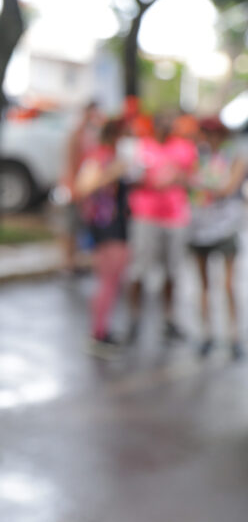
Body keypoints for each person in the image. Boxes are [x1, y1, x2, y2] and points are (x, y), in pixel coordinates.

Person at [126, 113, 198, 343]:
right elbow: (129, 177)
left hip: (175, 216)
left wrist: (178, 179)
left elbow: (194, 179)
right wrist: (149, 181)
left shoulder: (185, 148)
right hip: (146, 215)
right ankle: (134, 318)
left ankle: (169, 318)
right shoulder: (140, 147)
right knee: (139, 268)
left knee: (172, 270)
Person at [187, 116, 245, 359]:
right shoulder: (196, 157)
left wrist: (198, 185)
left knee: (229, 285)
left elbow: (227, 188)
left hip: (226, 225)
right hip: (200, 225)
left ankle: (234, 336)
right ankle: (207, 334)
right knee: (204, 285)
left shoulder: (235, 157)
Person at [73, 118, 130, 352]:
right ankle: (98, 333)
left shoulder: (115, 158)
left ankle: (102, 329)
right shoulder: (100, 158)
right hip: (106, 226)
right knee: (107, 282)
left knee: (112, 282)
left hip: (115, 225)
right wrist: (111, 173)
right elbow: (82, 188)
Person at [59, 101, 103, 274]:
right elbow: (70, 162)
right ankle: (69, 263)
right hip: (74, 188)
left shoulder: (93, 134)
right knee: (70, 227)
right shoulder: (76, 134)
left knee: (81, 226)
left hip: (87, 187)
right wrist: (72, 187)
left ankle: (77, 259)